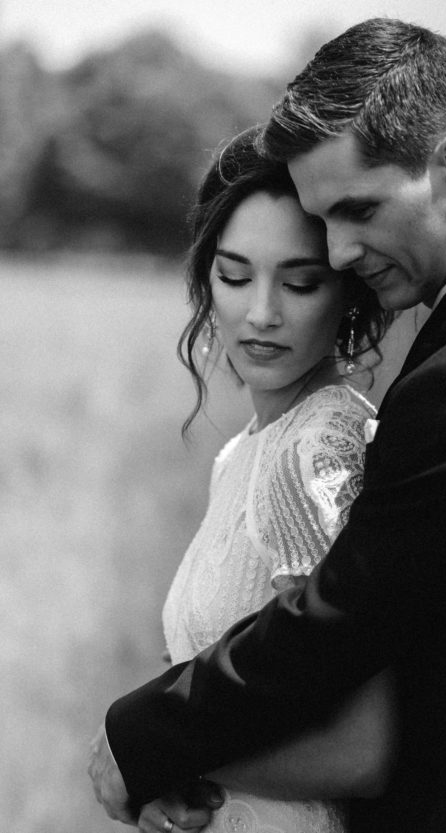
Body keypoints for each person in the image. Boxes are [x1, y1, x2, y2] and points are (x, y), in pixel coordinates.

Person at [90, 18, 446, 832]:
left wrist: (142, 742)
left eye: (358, 210)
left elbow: (334, 621)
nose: (341, 252)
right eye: (323, 220)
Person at [89, 126, 397, 833]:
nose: (261, 313)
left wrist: (151, 758)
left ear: (348, 292)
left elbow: (359, 752)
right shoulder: (244, 453)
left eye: (300, 282)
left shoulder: (318, 452)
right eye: (233, 276)